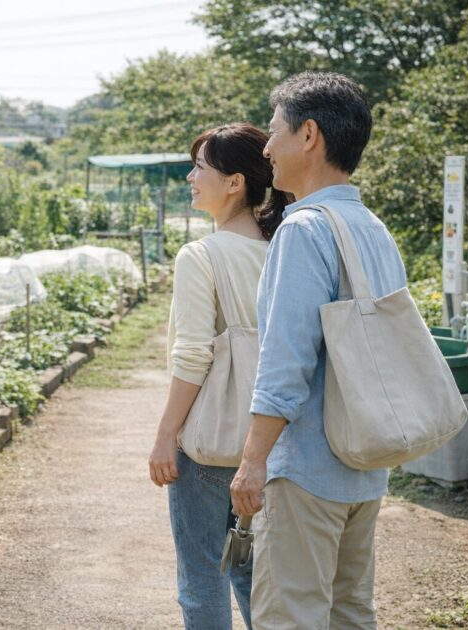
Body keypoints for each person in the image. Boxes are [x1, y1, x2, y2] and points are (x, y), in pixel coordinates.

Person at [230, 72, 407, 629]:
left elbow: (285, 363)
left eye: (274, 131)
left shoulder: (303, 229)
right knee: (350, 612)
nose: (266, 148)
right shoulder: (371, 226)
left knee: (291, 616)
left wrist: (253, 462)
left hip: (306, 468)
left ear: (308, 135)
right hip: (364, 463)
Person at [149, 123, 287, 630]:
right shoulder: (284, 248)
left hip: (208, 446)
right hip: (269, 443)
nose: (190, 177)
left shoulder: (202, 255)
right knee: (249, 570)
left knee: (203, 575)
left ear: (234, 182)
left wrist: (166, 436)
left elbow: (192, 356)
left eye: (199, 168)